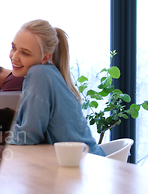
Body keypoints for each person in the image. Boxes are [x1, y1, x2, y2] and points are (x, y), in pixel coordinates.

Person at [8, 19, 105, 156]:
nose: (14, 57)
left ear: (45, 58)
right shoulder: (49, 73)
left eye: (25, 53)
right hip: (87, 160)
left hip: (83, 166)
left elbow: (27, 137)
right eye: (13, 47)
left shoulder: (38, 73)